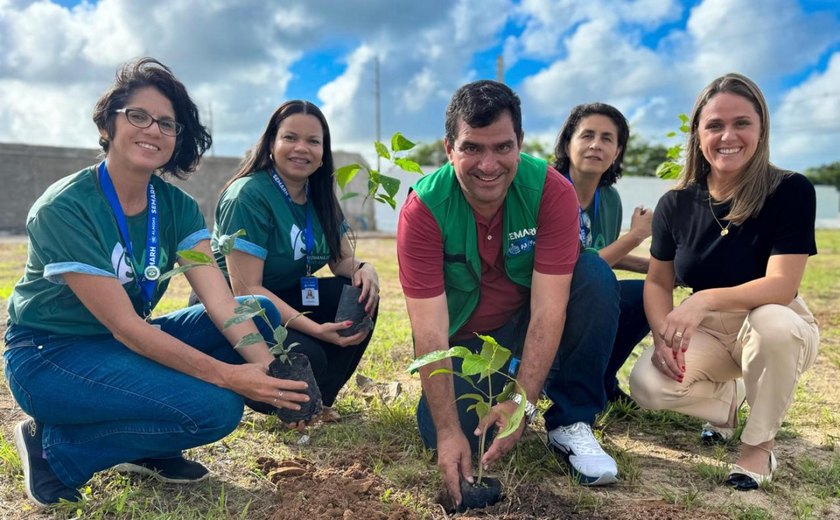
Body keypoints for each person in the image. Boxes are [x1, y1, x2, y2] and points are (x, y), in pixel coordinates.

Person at [3, 58, 311, 507]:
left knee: (256, 310)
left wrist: (270, 374)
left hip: (119, 343)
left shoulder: (177, 208)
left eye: (167, 123)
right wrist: (231, 377)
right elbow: (127, 328)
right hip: (50, 355)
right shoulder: (66, 208)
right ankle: (54, 450)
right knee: (217, 408)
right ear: (109, 123)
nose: (153, 130)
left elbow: (222, 302)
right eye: (138, 116)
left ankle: (149, 445)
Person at [398, 80, 621, 507]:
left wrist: (522, 403)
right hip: (466, 342)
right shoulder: (424, 211)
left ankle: (570, 420)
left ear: (520, 144)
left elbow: (549, 311)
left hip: (524, 324)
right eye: (471, 148)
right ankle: (480, 405)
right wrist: (448, 433)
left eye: (502, 148)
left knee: (593, 274)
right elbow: (428, 336)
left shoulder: (551, 191)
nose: (488, 165)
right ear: (449, 150)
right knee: (455, 436)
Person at [629, 73, 819, 491]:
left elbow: (781, 286)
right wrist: (664, 334)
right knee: (648, 384)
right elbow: (659, 283)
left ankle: (757, 446)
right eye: (714, 125)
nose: (727, 135)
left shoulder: (790, 190)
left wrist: (703, 300)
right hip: (711, 331)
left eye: (741, 123)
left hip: (776, 321)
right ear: (698, 134)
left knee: (772, 325)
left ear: (761, 129)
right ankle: (729, 403)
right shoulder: (675, 203)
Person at [212, 100, 379, 425]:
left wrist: (363, 268)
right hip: (237, 308)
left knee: (359, 294)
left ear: (323, 152)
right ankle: (287, 402)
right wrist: (318, 330)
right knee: (308, 357)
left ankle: (318, 403)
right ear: (271, 144)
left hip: (288, 295)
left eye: (313, 141)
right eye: (290, 137)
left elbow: (341, 259)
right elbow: (249, 291)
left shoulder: (319, 195)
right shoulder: (247, 196)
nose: (301, 148)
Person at [552, 103, 653, 404]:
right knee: (595, 282)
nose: (596, 145)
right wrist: (635, 236)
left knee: (648, 294)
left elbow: (602, 252)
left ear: (618, 151)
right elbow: (578, 267)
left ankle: (603, 379)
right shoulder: (547, 190)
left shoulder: (609, 199)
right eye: (587, 135)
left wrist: (659, 270)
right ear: (568, 142)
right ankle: (560, 380)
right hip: (545, 300)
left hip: (585, 297)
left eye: (607, 138)